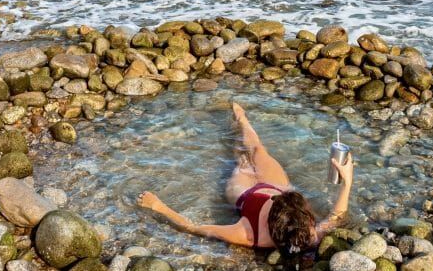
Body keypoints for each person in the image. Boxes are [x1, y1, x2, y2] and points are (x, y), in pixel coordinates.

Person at [137, 102, 354, 252]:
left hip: (244, 194)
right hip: (276, 185)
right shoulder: (307, 233)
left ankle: (235, 146)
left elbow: (194, 227)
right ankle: (241, 119)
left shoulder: (248, 235)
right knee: (258, 150)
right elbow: (336, 216)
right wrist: (347, 181)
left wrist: (158, 205)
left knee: (241, 160)